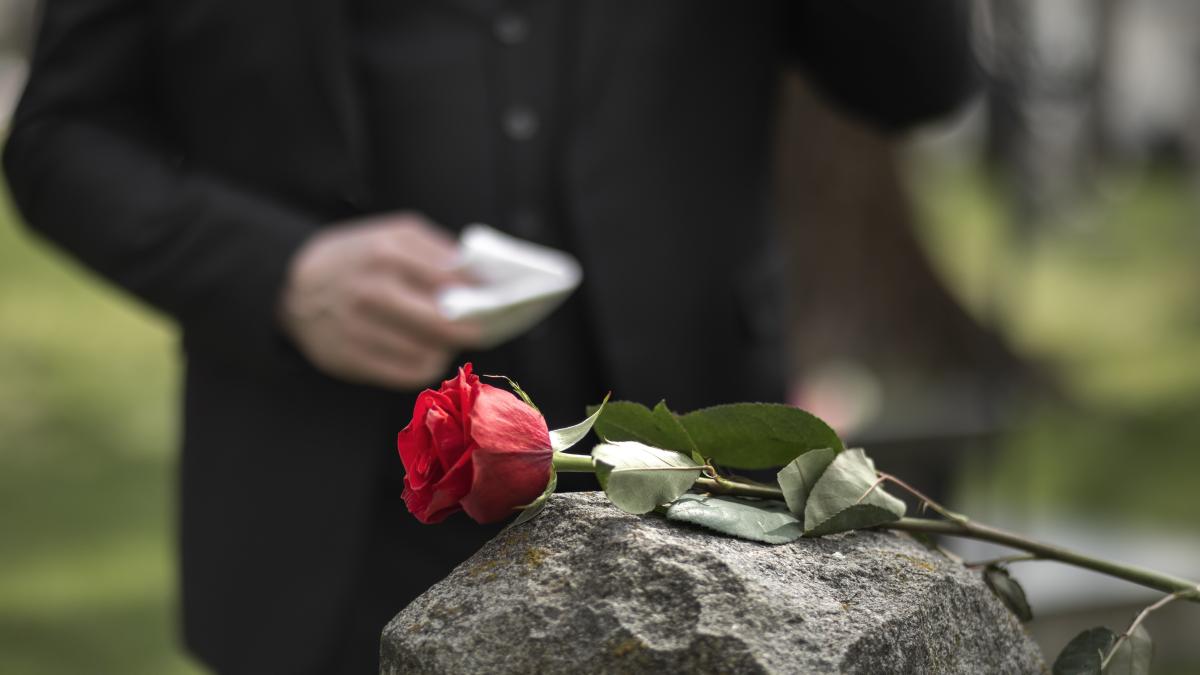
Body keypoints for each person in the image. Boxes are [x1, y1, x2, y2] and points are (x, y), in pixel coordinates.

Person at [3, 1, 976, 672]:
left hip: (703, 486)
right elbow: (59, 137)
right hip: (324, 523)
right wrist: (277, 275)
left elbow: (918, 78)